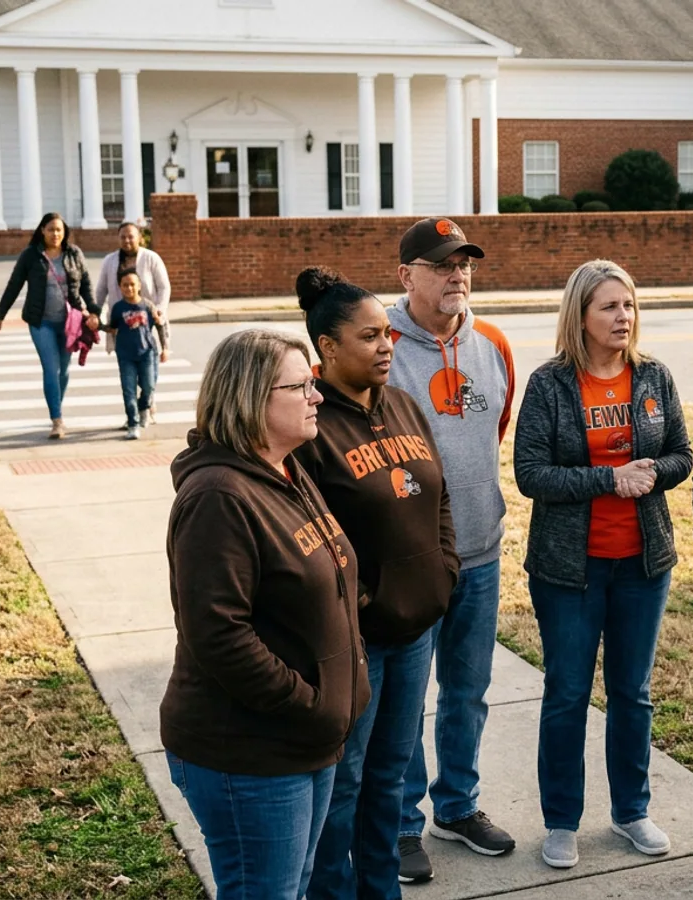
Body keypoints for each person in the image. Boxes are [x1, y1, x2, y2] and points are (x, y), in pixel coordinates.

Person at [161, 328, 368, 899]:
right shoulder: (218, 497)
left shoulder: (287, 470)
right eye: (301, 385)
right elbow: (219, 636)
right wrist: (311, 704)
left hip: (308, 738)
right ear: (252, 398)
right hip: (250, 750)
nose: (317, 396)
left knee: (293, 887)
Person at [513, 259, 692, 870]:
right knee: (566, 693)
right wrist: (608, 480)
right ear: (580, 317)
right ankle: (562, 820)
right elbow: (530, 474)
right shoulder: (549, 384)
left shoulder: (654, 378)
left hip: (643, 564)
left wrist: (647, 474)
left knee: (632, 694)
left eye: (630, 305)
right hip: (569, 570)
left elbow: (680, 455)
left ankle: (631, 811)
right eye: (610, 307)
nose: (624, 317)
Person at [295, 267, 459, 900]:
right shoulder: (311, 422)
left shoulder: (402, 403)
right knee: (348, 779)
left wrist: (443, 571)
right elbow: (304, 533)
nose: (387, 345)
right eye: (369, 337)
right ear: (328, 348)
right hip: (357, 643)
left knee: (391, 774)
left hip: (417, 629)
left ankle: (380, 887)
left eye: (388, 333)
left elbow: (438, 495)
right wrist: (357, 607)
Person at [388, 217, 518, 882]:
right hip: (406, 563)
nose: (457, 275)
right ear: (405, 274)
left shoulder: (491, 342)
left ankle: (458, 807)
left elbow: (493, 428)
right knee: (405, 699)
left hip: (480, 552)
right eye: (441, 265)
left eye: (463, 263)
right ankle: (403, 824)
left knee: (468, 691)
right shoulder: (375, 344)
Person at [0, 212, 99, 439]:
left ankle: (55, 405)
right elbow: (14, 286)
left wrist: (94, 312)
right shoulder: (31, 256)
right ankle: (57, 420)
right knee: (51, 369)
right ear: (42, 230)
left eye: (59, 230)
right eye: (51, 230)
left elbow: (86, 284)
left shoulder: (74, 254)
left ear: (65, 232)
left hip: (70, 322)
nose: (55, 234)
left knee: (64, 370)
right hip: (41, 322)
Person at [96, 222, 172, 425]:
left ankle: (147, 404)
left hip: (151, 320)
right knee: (129, 374)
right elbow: (101, 291)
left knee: (150, 371)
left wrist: (160, 311)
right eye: (123, 237)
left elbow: (164, 287)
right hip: (123, 321)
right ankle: (138, 412)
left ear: (140, 237)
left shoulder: (151, 258)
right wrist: (97, 314)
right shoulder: (110, 261)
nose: (127, 241)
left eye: (131, 236)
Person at [104, 270, 168, 440]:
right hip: (126, 355)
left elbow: (160, 326)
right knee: (128, 389)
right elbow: (112, 327)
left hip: (147, 352)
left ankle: (144, 408)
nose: (129, 288)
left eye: (132, 284)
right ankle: (133, 423)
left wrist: (165, 348)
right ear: (120, 287)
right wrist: (98, 326)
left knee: (149, 386)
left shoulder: (147, 306)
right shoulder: (118, 308)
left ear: (139, 286)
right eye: (125, 285)